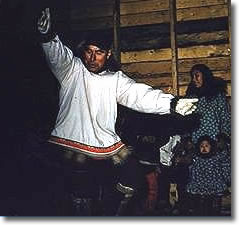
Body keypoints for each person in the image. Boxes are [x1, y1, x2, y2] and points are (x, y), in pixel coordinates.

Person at [34, 8, 198, 216]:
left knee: (134, 180)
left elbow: (139, 94)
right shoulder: (72, 69)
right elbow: (57, 55)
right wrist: (47, 35)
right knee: (81, 197)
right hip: (71, 144)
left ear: (108, 53)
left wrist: (172, 104)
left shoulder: (115, 79)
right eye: (89, 51)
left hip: (104, 146)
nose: (92, 58)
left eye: (99, 52)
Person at [185, 64, 231, 144]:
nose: (194, 79)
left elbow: (225, 117)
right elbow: (185, 119)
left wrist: (224, 137)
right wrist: (187, 139)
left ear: (205, 76)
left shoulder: (217, 96)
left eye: (197, 76)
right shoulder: (190, 97)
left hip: (216, 140)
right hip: (196, 142)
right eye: (192, 77)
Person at [185, 135, 231, 216]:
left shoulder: (216, 157)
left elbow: (225, 155)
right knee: (199, 207)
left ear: (211, 147)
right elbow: (188, 158)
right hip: (199, 185)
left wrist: (223, 146)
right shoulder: (196, 158)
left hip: (213, 185)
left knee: (212, 207)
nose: (204, 148)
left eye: (206, 146)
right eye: (201, 146)